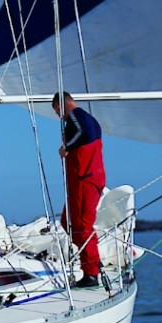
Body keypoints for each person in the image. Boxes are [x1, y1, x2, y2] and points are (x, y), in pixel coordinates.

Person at [52, 91, 106, 288]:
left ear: (59, 106)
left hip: (85, 179)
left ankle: (91, 274)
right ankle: (91, 260)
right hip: (85, 180)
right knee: (68, 222)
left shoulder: (75, 116)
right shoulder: (89, 118)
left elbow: (83, 133)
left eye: (57, 111)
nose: (60, 116)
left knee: (82, 226)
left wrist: (66, 148)